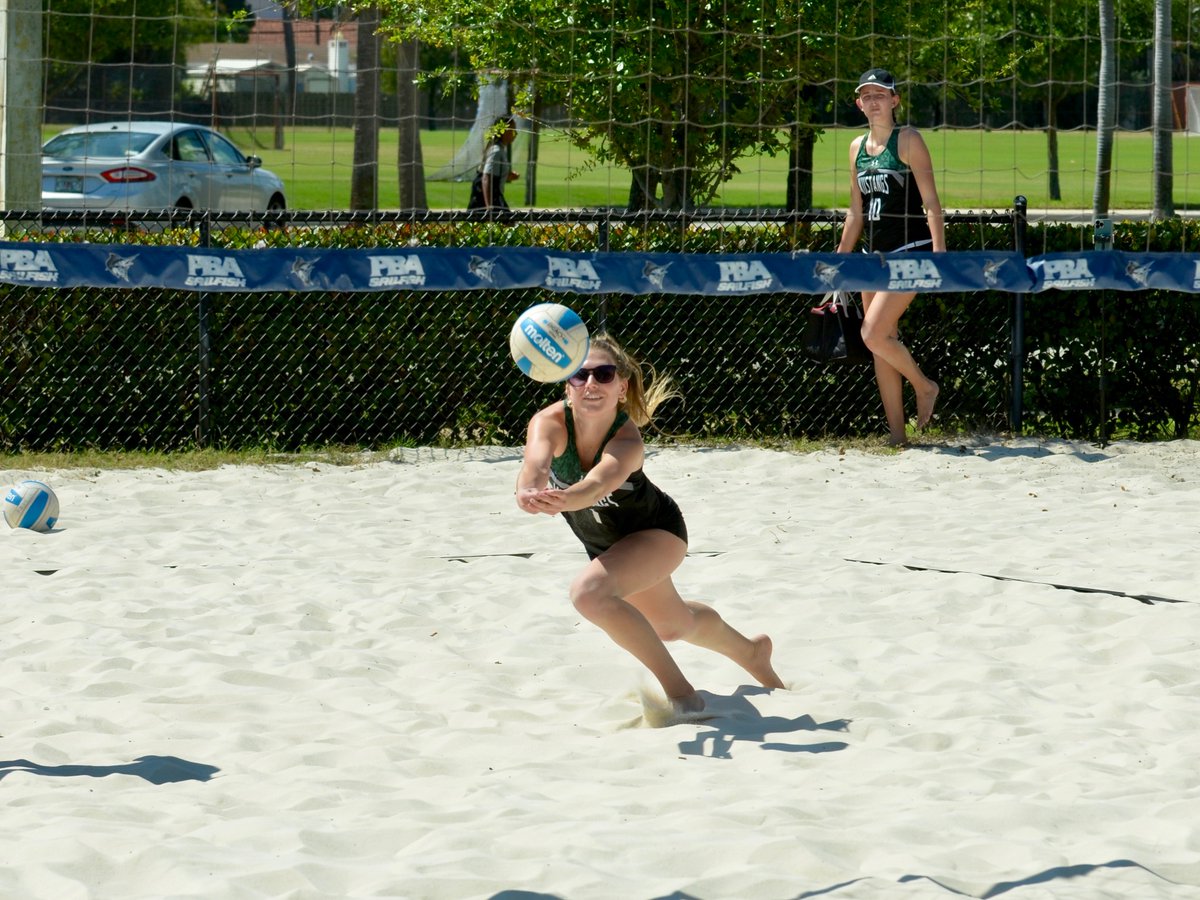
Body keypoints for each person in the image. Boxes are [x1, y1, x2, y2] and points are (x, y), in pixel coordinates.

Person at [514, 333, 786, 715]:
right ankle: (753, 652)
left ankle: (682, 695)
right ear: (567, 385)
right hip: (610, 545)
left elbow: (597, 485)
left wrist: (563, 498)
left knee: (588, 593)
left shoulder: (627, 439)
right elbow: (535, 466)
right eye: (580, 375)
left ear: (622, 387)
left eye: (604, 375)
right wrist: (528, 491)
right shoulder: (548, 422)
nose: (591, 383)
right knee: (672, 626)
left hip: (657, 533)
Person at [836, 67, 945, 446]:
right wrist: (840, 261)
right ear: (858, 103)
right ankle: (898, 438)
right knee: (881, 343)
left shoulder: (908, 139)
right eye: (866, 96)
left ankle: (925, 386)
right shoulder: (855, 148)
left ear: (895, 100)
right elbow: (855, 213)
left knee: (872, 332)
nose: (873, 101)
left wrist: (939, 255)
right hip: (872, 258)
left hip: (910, 252)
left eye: (880, 95)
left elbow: (931, 203)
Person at [469, 116, 519, 211]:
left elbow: (494, 174)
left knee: (509, 223)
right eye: (513, 130)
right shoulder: (496, 151)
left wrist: (507, 176)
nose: (516, 133)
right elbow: (486, 178)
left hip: (493, 196)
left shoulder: (500, 149)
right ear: (503, 131)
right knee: (508, 223)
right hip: (490, 198)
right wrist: (489, 207)